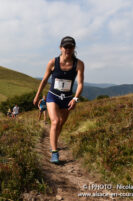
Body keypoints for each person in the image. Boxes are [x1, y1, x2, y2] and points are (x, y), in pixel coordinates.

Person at [33, 36, 85, 164]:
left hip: (67, 98)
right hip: (53, 96)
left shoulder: (79, 64)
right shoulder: (52, 62)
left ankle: (54, 141)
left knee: (61, 123)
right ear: (60, 48)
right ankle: (54, 152)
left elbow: (80, 84)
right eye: (65, 47)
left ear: (74, 48)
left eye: (70, 47)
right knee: (55, 121)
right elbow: (45, 80)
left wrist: (75, 99)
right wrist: (37, 95)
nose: (68, 49)